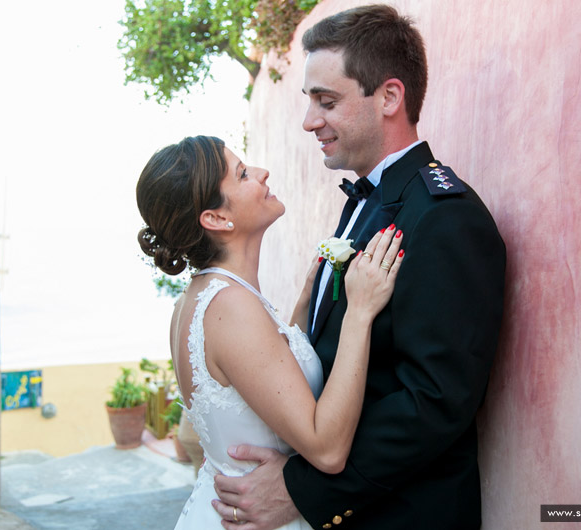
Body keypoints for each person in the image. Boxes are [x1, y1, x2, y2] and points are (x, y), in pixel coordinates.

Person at [211, 5, 506, 529]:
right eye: (309, 102)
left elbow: (435, 401)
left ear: (389, 97)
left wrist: (302, 490)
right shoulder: (364, 202)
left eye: (327, 102)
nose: (309, 121)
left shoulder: (444, 218)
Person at [135, 135, 405, 529]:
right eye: (242, 174)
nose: (262, 173)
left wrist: (305, 301)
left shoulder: (201, 298)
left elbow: (264, 375)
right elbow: (326, 449)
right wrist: (359, 314)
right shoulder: (230, 308)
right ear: (215, 219)